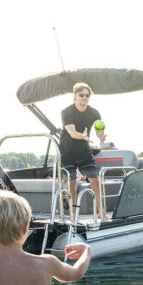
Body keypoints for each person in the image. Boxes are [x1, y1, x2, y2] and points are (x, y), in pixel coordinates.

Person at [59, 82, 107, 220]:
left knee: (95, 180)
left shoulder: (94, 112)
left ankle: (101, 213)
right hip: (67, 152)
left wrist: (101, 136)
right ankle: (73, 215)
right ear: (75, 96)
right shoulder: (66, 112)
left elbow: (99, 132)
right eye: (81, 95)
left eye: (87, 95)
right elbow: (72, 132)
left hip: (84, 151)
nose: (84, 97)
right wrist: (83, 136)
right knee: (71, 182)